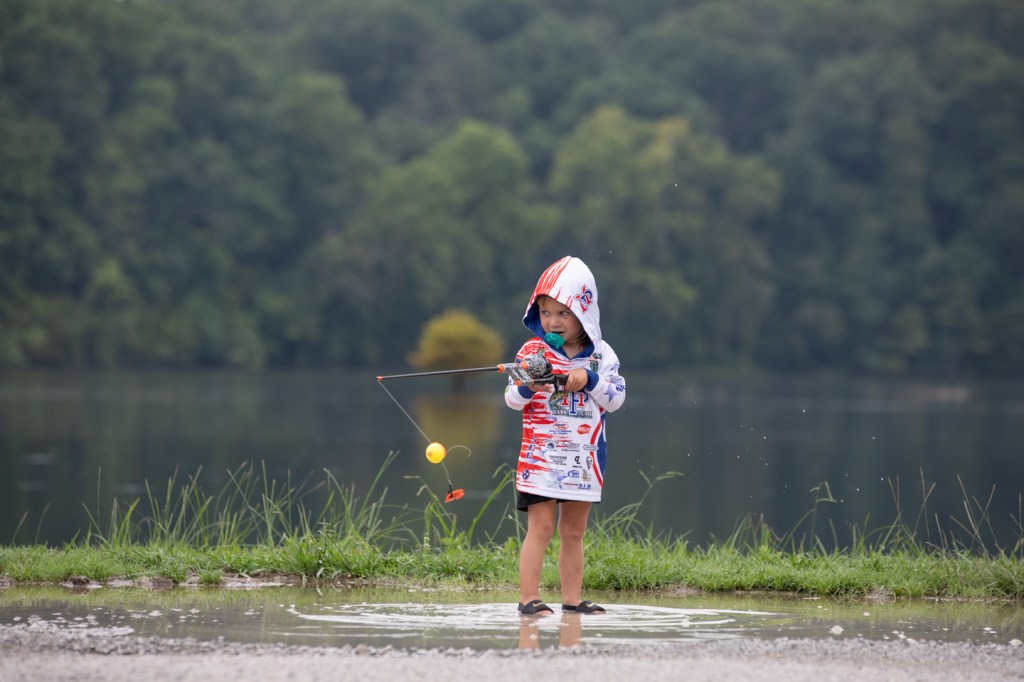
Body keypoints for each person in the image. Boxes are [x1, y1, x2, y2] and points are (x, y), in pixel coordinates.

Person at [504, 256, 626, 616]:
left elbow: (616, 399)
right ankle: (528, 599)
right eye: (545, 313)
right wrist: (528, 386)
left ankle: (572, 602)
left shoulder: (602, 356)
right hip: (540, 457)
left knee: (573, 532)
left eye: (563, 313)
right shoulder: (532, 352)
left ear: (584, 313)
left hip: (584, 461)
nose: (552, 322)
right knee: (540, 528)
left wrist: (589, 379)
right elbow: (511, 399)